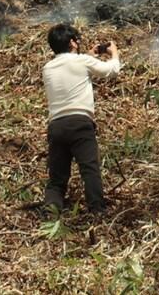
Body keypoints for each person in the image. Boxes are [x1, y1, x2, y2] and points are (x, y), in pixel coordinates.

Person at [41, 23, 122, 214]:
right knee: (89, 170)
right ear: (72, 42)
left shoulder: (48, 68)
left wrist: (87, 56)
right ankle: (97, 211)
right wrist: (114, 53)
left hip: (56, 126)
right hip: (80, 124)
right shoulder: (82, 62)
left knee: (57, 178)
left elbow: (70, 69)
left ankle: (51, 211)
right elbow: (111, 70)